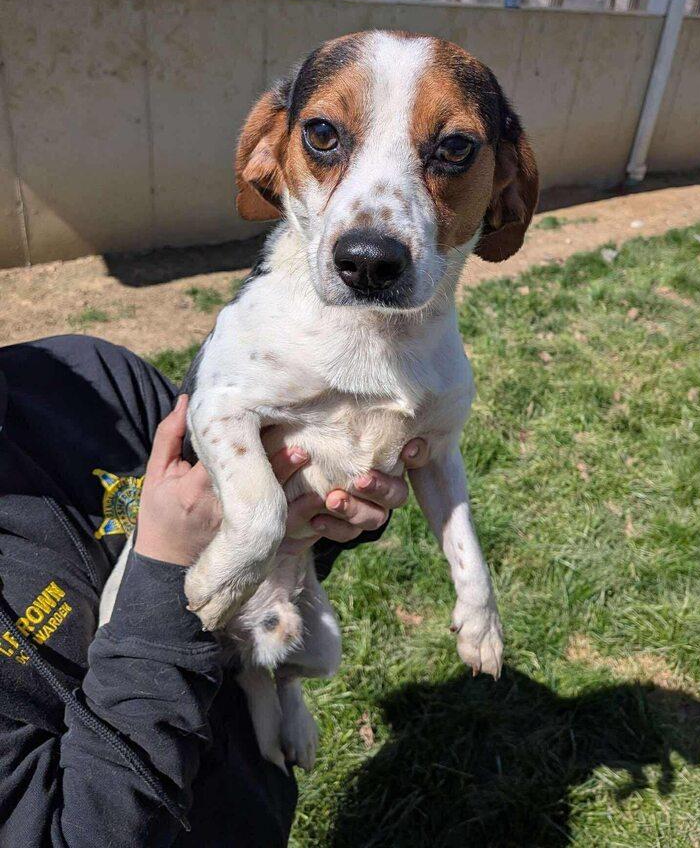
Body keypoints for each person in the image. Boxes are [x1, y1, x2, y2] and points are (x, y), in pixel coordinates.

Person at [0, 335, 427, 847]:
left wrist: (323, 506)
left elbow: (250, 504)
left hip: (254, 794)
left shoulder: (95, 379)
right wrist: (166, 567)